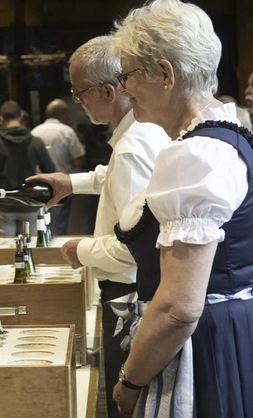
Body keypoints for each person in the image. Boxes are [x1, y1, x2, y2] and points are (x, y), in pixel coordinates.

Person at [109, 1, 253, 417]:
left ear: (166, 74)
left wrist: (128, 382)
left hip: (202, 349)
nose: (124, 88)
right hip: (233, 331)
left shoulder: (196, 154)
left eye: (127, 75)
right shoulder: (231, 133)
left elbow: (178, 308)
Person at [26, 35, 170, 418]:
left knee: (127, 405)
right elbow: (116, 178)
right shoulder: (145, 131)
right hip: (136, 291)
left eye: (79, 93)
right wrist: (70, 183)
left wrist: (81, 250)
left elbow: (136, 245)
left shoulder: (132, 147)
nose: (79, 101)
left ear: (108, 91)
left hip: (130, 297)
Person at [0, 100, 55, 237]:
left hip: (3, 204)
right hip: (31, 203)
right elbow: (50, 171)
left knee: (2, 251)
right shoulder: (35, 142)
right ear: (21, 115)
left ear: (1, 118)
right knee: (30, 248)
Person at [31, 98, 86, 234]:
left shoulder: (34, 132)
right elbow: (78, 161)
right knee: (58, 223)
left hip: (38, 184)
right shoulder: (67, 131)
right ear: (61, 114)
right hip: (63, 184)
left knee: (39, 224)